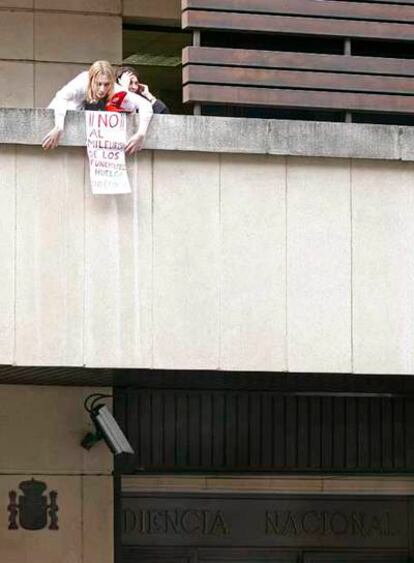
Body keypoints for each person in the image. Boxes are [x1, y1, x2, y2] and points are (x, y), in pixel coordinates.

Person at [42, 60, 153, 154]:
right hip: (62, 117)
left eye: (106, 84)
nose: (102, 89)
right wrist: (58, 126)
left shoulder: (115, 89)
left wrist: (141, 134)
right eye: (98, 84)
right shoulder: (81, 82)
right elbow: (62, 97)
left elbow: (145, 105)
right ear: (91, 81)